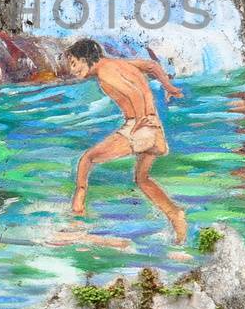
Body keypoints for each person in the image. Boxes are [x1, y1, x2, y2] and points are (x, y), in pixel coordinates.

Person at [62, 38, 187, 243]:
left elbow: (133, 93)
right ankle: (176, 215)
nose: (72, 70)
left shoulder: (105, 72)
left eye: (74, 63)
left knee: (87, 159)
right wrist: (168, 86)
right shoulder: (120, 64)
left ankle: (77, 217)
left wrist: (139, 120)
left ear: (85, 59)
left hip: (140, 128)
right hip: (153, 127)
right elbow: (152, 66)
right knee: (142, 179)